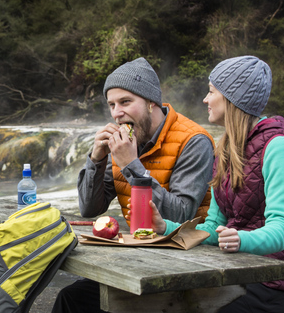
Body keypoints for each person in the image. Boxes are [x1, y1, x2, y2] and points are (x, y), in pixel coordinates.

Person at [52, 57, 215, 313]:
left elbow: (181, 216)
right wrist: (96, 159)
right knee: (70, 299)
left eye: (126, 102)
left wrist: (131, 164)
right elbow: (89, 209)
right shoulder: (124, 141)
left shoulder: (194, 141)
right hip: (139, 254)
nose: (117, 113)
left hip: (189, 261)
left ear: (151, 102)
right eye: (112, 105)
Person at [150, 55, 284, 312]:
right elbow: (214, 227)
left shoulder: (278, 147)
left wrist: (241, 239)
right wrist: (167, 227)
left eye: (211, 92)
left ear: (233, 98)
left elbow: (283, 229)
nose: (205, 100)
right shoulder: (225, 148)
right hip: (239, 275)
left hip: (279, 284)